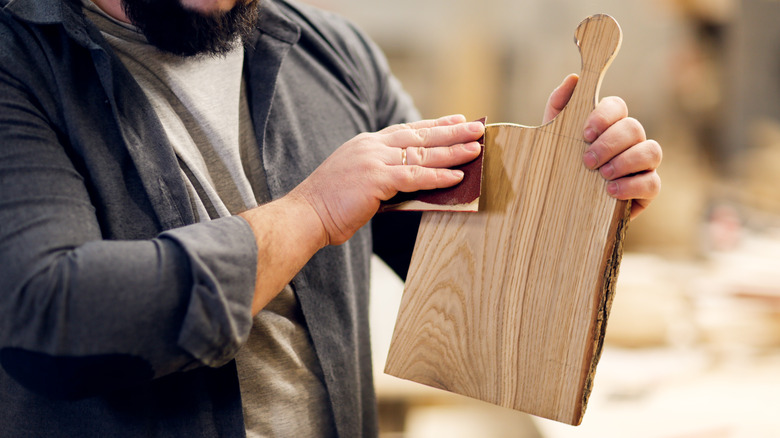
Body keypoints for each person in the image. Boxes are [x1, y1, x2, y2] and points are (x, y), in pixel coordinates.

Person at [0, 0, 662, 436]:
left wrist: (569, 198)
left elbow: (460, 273)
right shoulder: (18, 62)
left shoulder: (331, 56)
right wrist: (311, 212)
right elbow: (50, 316)